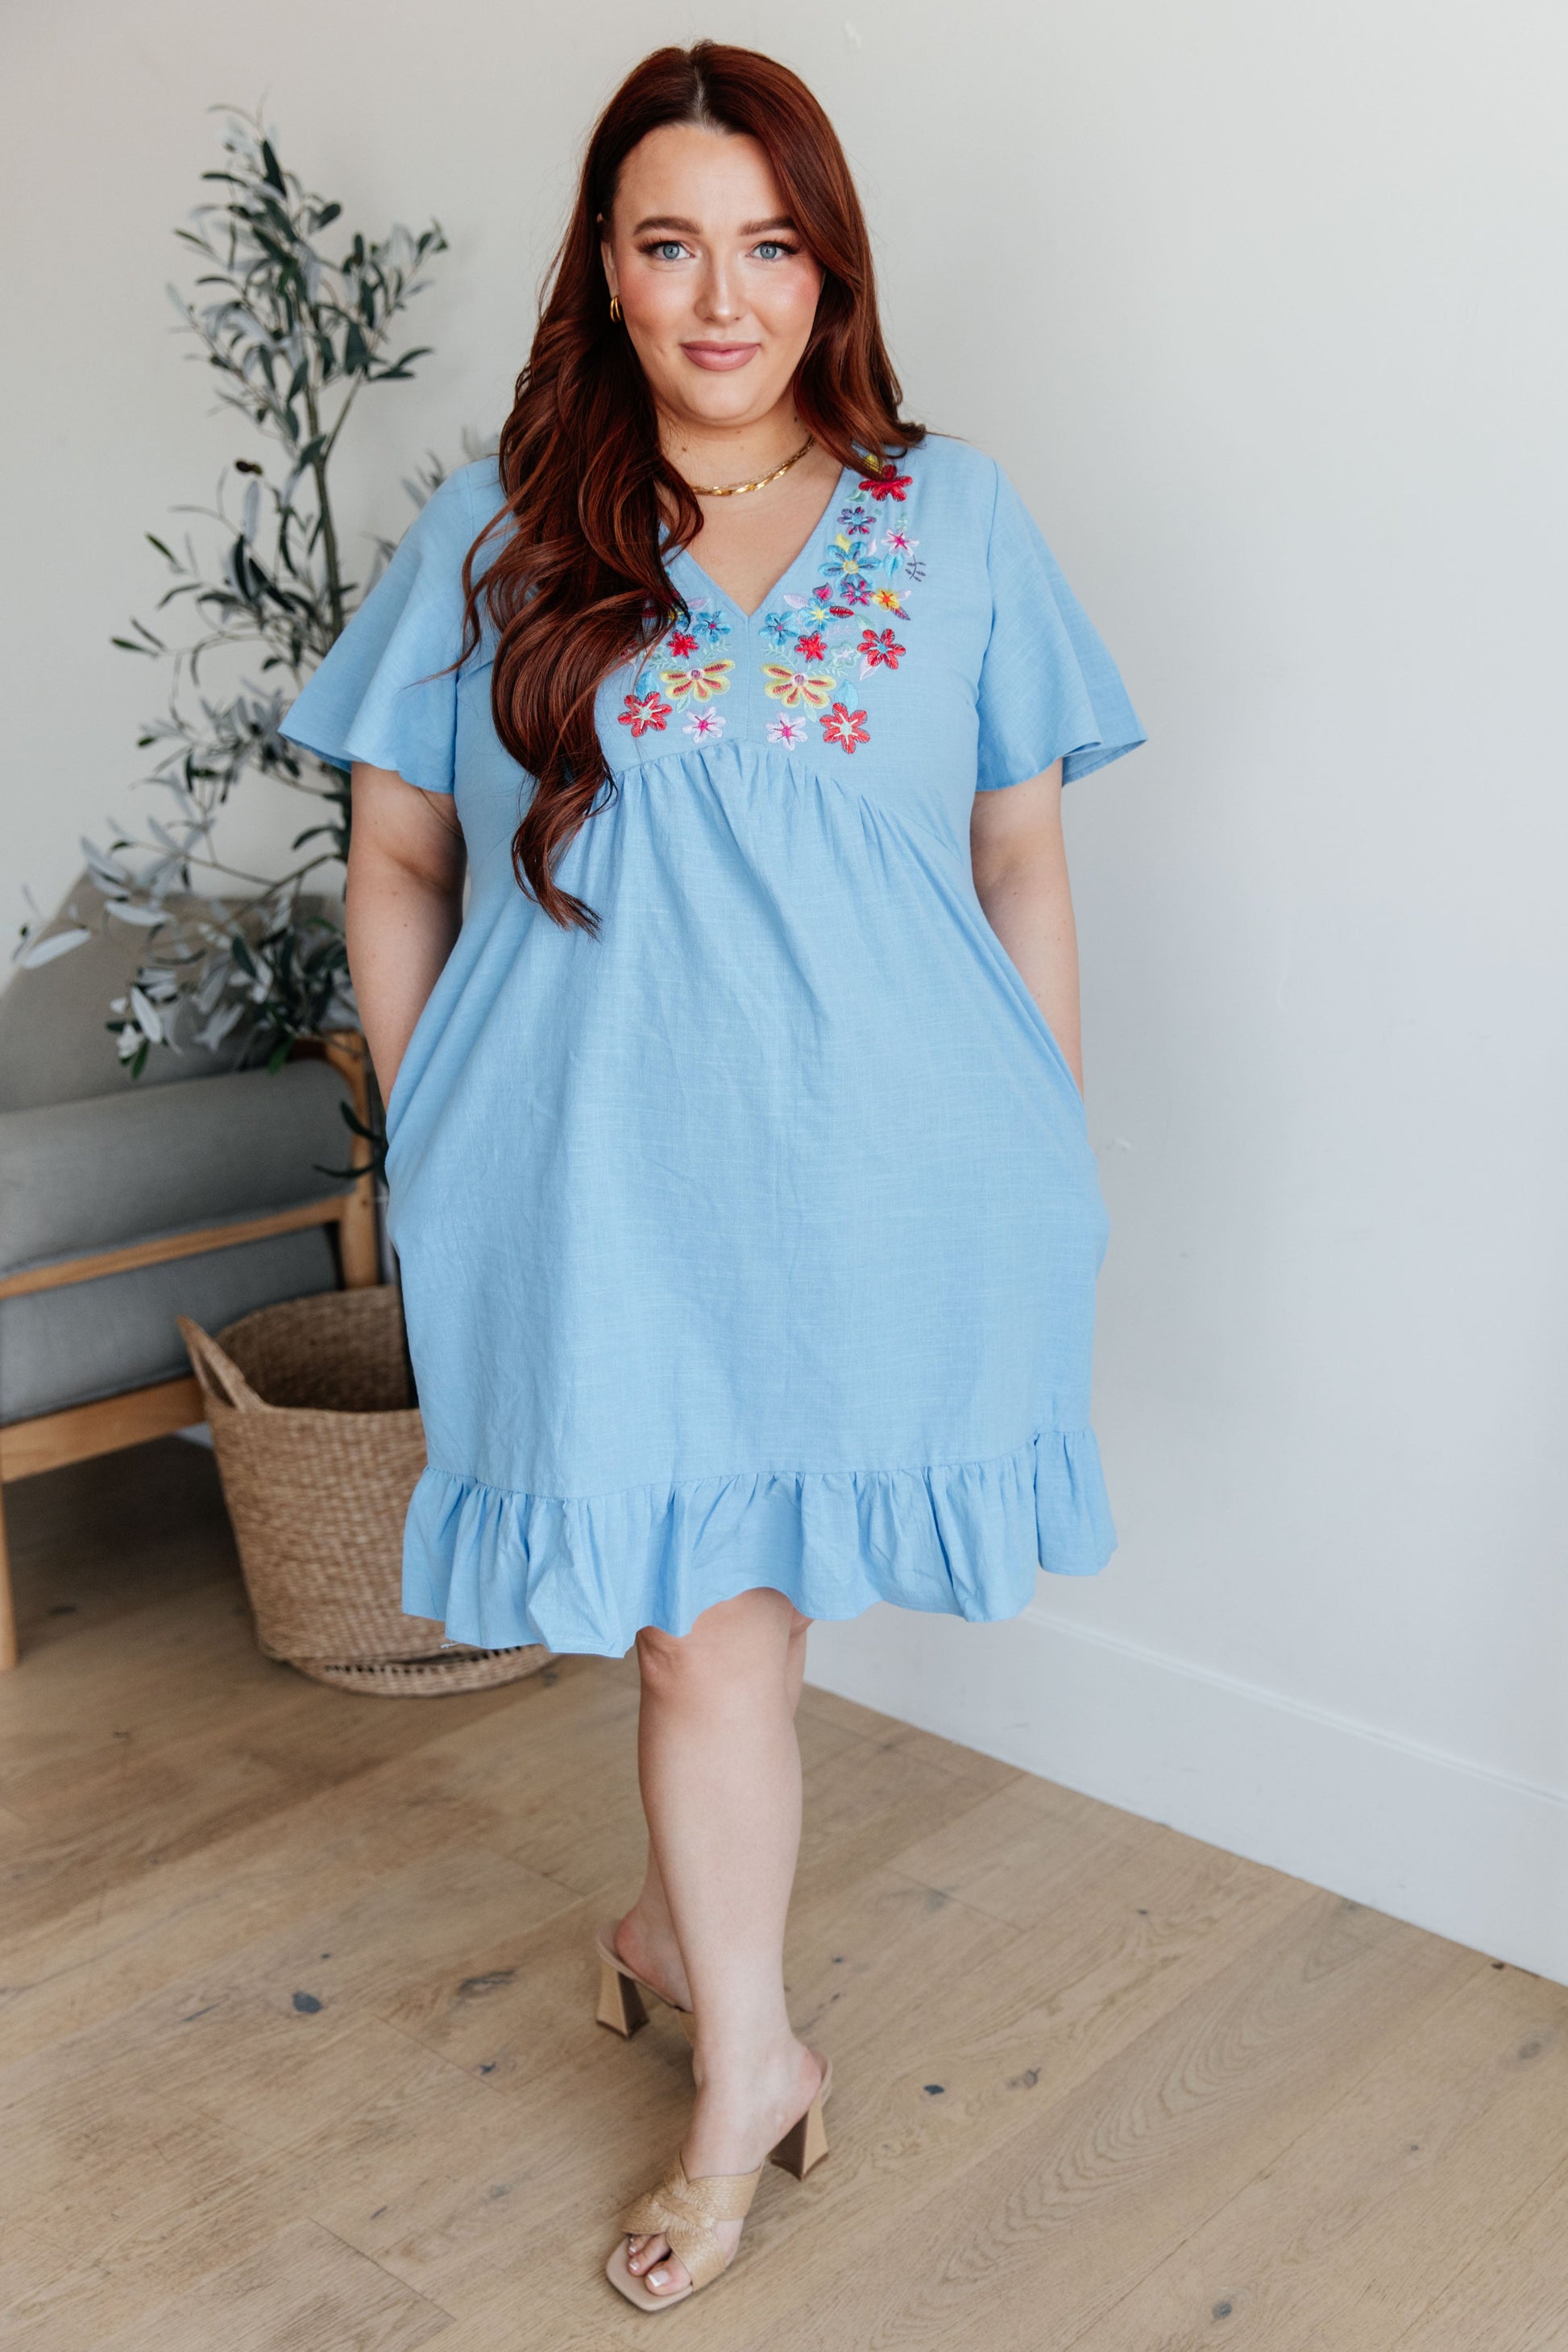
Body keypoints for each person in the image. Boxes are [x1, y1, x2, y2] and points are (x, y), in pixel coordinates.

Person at [279, 38, 1144, 2313]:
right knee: (700, 1633)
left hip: (893, 1171)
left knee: (741, 1606)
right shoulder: (498, 529)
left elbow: (1021, 855)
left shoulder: (954, 517)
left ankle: (686, 1946)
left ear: (828, 265)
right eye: (671, 244)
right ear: (605, 265)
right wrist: (436, 1126)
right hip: (596, 1182)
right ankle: (748, 2062)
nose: (723, 294)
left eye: (769, 245)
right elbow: (398, 852)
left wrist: (1049, 1136)